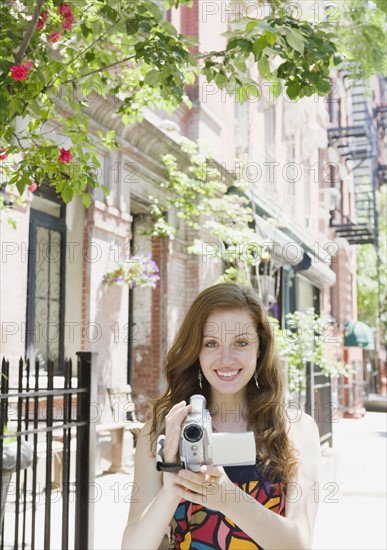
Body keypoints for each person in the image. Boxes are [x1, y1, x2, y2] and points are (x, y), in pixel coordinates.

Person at [121, 283, 321, 550]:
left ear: (259, 348)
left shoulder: (296, 429)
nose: (226, 358)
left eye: (240, 342)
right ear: (196, 350)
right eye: (211, 343)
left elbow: (300, 544)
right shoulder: (162, 430)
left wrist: (228, 499)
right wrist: (171, 488)